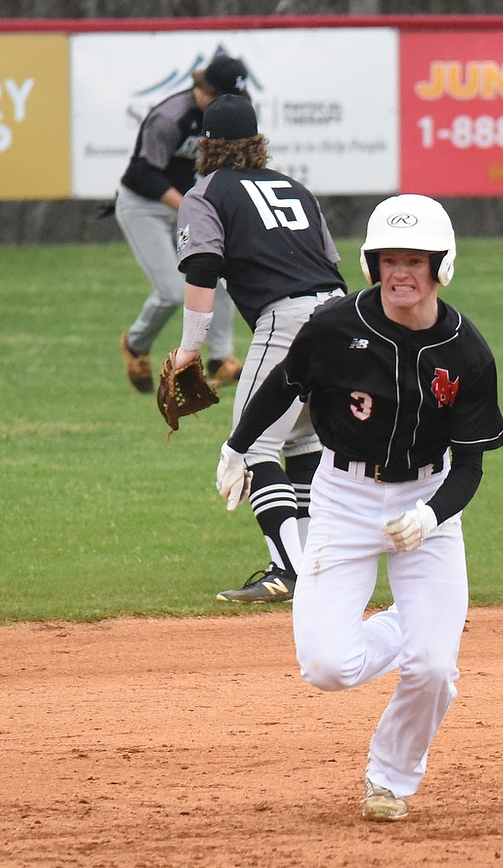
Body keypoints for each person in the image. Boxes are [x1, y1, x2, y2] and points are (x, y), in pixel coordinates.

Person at [215, 193, 503, 820]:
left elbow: (470, 466)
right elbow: (285, 384)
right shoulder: (335, 325)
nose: (401, 274)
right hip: (344, 497)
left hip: (428, 499)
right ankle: (412, 626)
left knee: (434, 670)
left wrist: (430, 516)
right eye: (389, 260)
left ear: (442, 266)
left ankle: (389, 781)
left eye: (416, 261)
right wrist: (237, 446)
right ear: (371, 264)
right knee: (327, 666)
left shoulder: (467, 351)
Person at [171, 94, 348, 603]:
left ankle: (289, 571)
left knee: (252, 446)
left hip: (287, 320)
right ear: (257, 142)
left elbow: (203, 267)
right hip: (338, 314)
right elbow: (329, 263)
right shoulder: (297, 188)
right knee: (304, 441)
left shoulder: (205, 194)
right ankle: (314, 571)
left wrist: (189, 349)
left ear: (205, 145)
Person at [116, 56, 247, 394]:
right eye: (219, 98)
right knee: (172, 292)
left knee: (219, 272)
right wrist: (191, 206)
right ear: (202, 89)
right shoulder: (170, 117)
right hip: (144, 206)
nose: (228, 106)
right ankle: (136, 345)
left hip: (188, 204)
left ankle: (220, 359)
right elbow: (143, 173)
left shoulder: (229, 113)